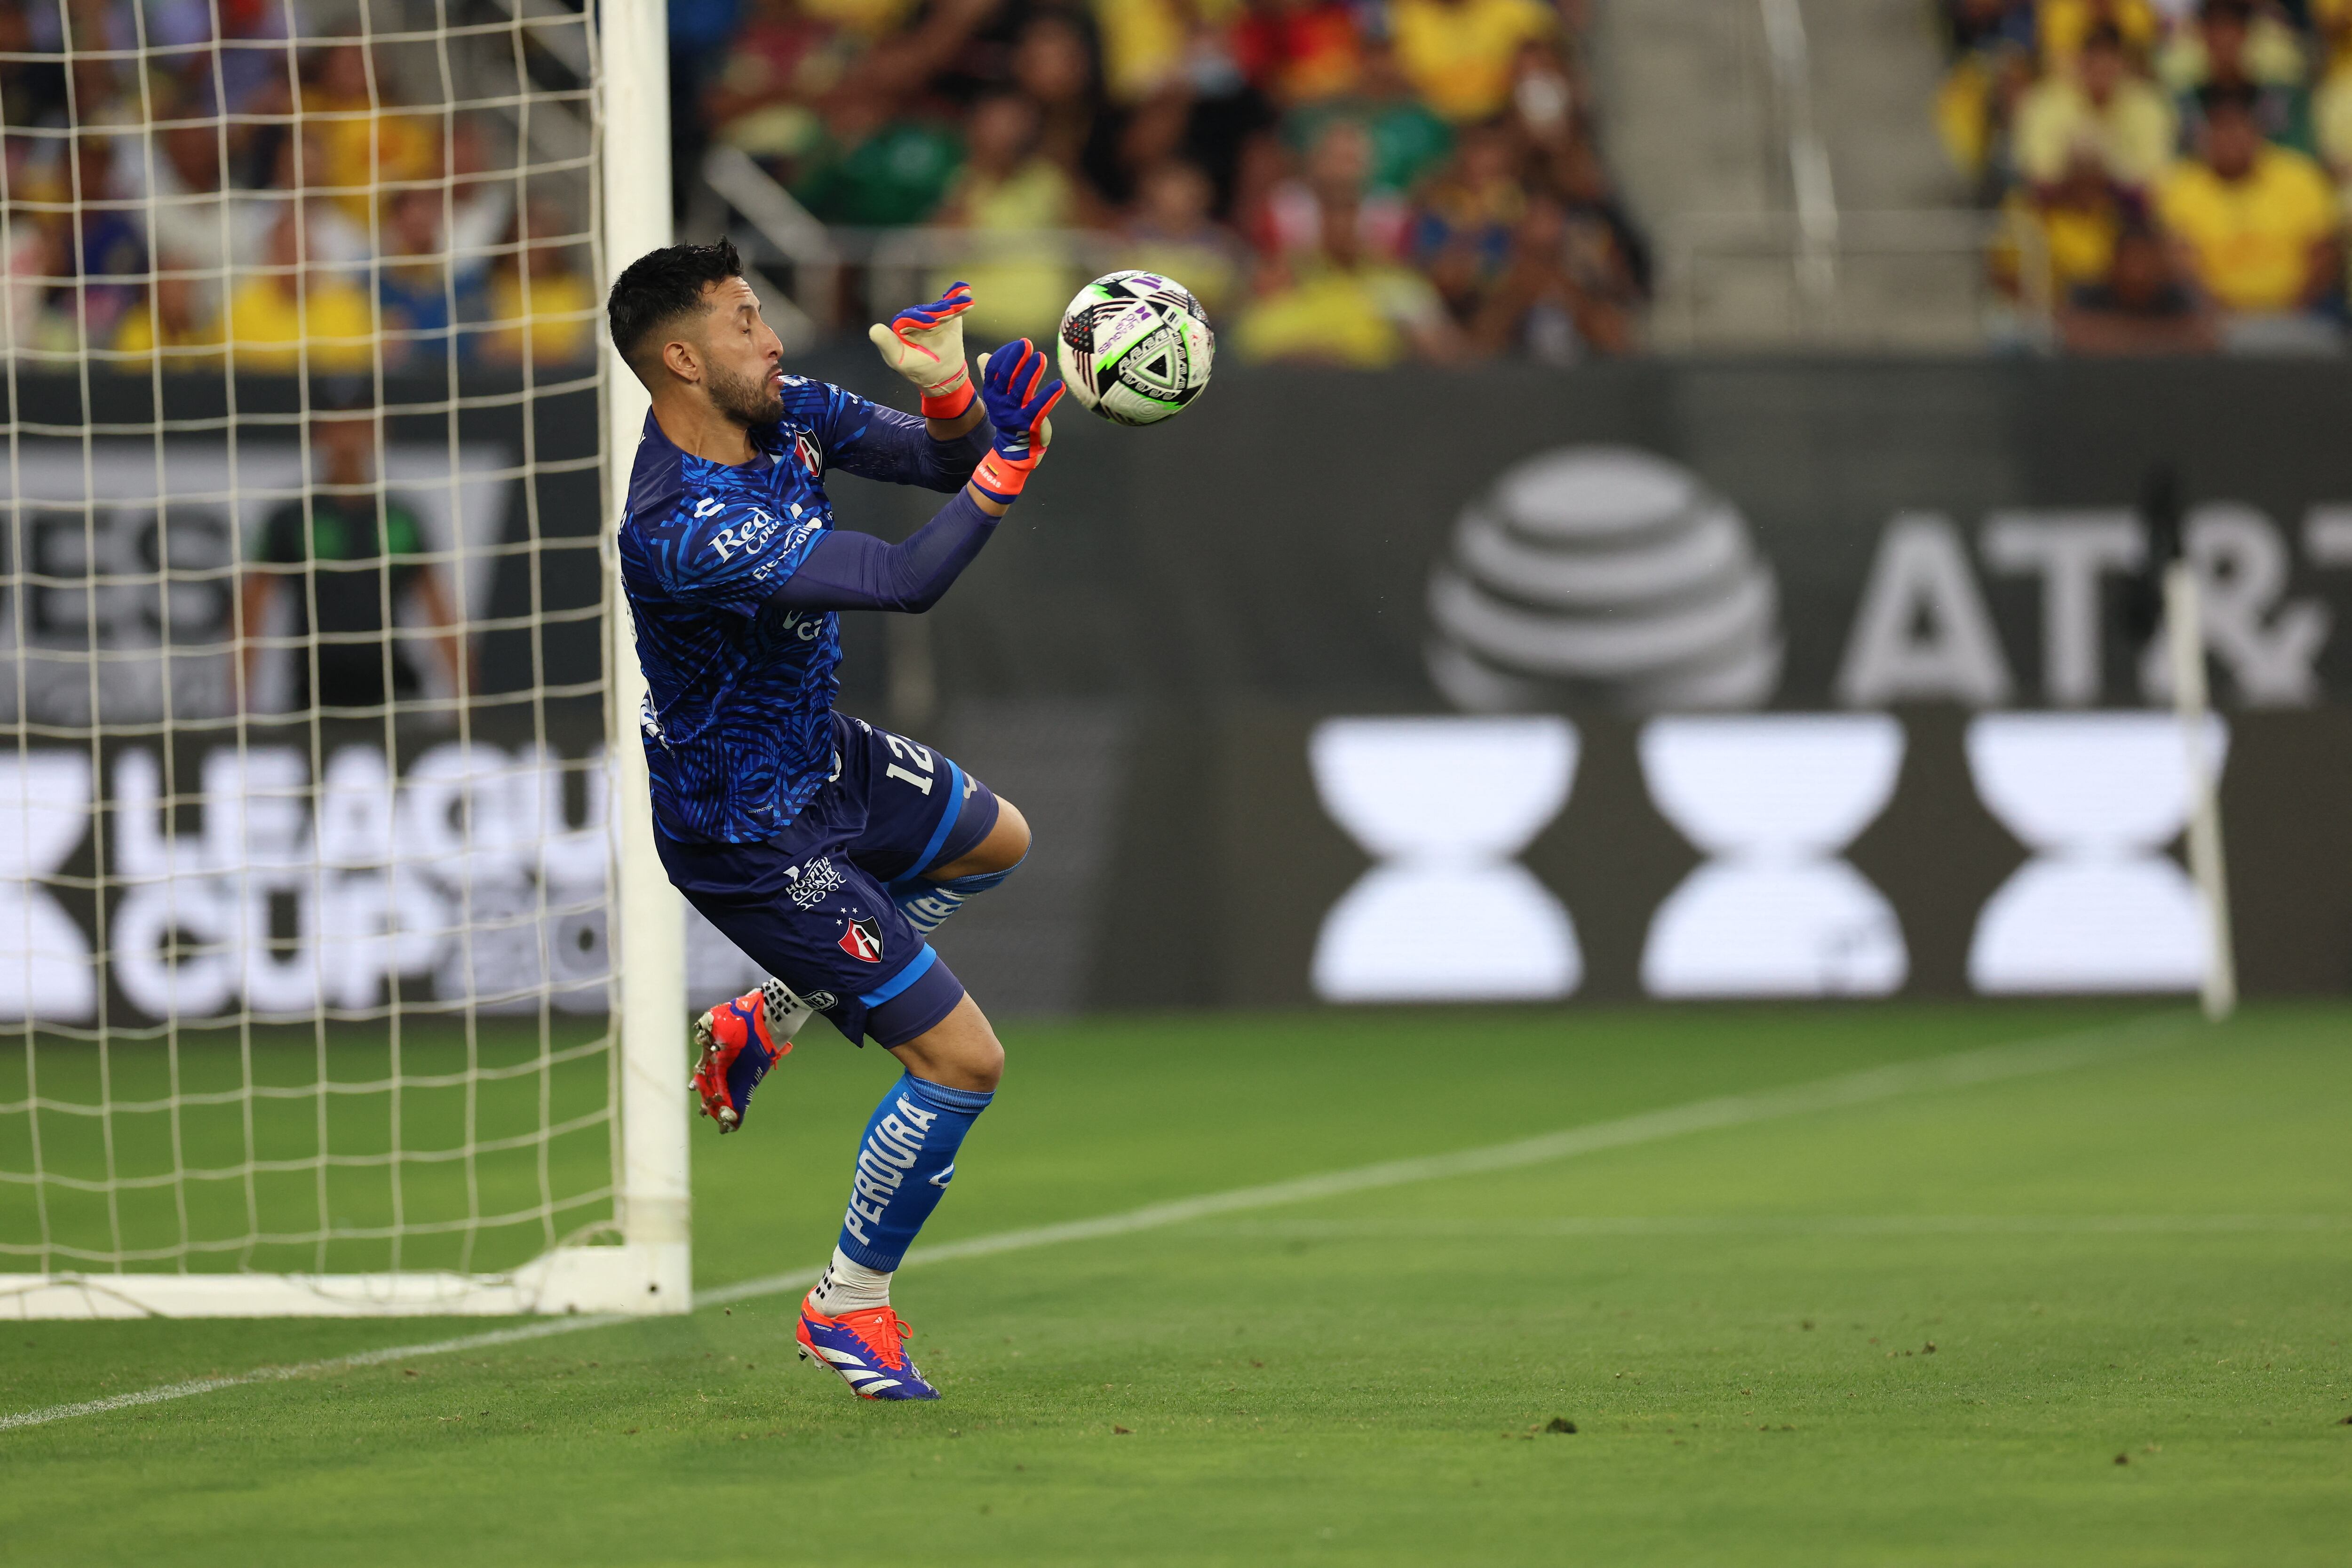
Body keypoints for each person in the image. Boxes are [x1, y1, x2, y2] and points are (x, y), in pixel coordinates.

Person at [606, 242, 1056, 1401]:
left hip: (824, 758)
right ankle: (848, 1303)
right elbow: (905, 575)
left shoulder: (791, 410)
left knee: (998, 841)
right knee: (963, 1061)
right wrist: (1009, 468)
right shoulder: (680, 524)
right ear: (681, 359)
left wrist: (953, 392)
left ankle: (772, 1012)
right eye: (746, 320)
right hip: (747, 837)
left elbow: (932, 459)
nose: (773, 338)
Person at [240, 383, 469, 716]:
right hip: (316, 690)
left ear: (380, 431)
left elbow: (439, 611)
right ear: (317, 434)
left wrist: (465, 695)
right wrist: (240, 701)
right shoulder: (290, 520)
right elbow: (252, 612)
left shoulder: (401, 520)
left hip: (391, 686)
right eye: (336, 427)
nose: (347, 440)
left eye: (358, 425)